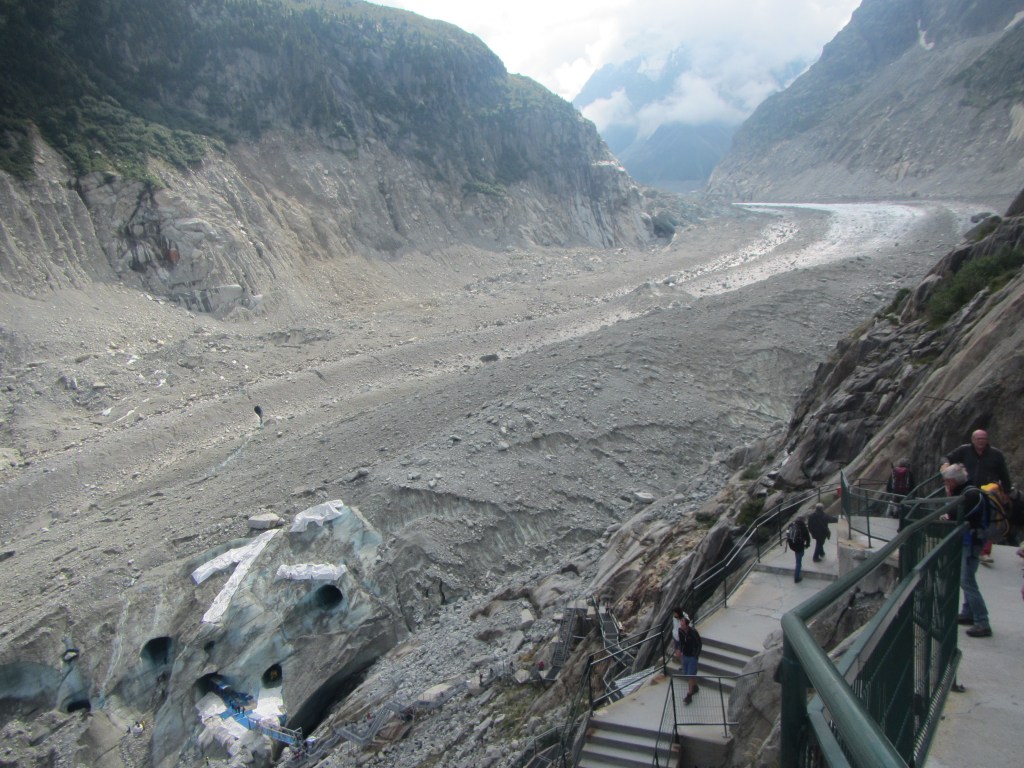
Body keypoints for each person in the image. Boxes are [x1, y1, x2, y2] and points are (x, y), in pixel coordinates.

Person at [941, 463, 992, 637]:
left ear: (954, 481)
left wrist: (949, 499)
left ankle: (982, 622)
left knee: (967, 581)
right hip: (972, 539)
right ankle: (968, 613)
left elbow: (955, 514)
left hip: (971, 541)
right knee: (968, 578)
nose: (946, 484)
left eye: (947, 481)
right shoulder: (968, 492)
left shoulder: (970, 494)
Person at [943, 429, 1012, 491]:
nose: (981, 441)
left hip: (990, 492)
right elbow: (946, 458)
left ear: (987, 440)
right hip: (968, 490)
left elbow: (1004, 475)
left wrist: (1007, 491)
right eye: (978, 439)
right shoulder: (964, 450)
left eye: (983, 439)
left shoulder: (996, 454)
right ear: (972, 440)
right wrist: (946, 464)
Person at [678, 612, 702, 704]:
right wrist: (680, 650)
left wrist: (696, 655)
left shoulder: (693, 632)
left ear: (687, 624)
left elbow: (699, 644)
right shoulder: (680, 631)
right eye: (681, 622)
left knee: (690, 675)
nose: (681, 624)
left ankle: (689, 695)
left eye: (683, 622)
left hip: (692, 657)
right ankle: (695, 687)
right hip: (685, 656)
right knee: (688, 674)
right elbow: (681, 642)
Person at [787, 516, 811, 583]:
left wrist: (789, 541)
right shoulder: (803, 528)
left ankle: (798, 572)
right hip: (799, 546)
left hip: (792, 545)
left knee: (798, 557)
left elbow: (787, 533)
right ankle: (796, 577)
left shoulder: (790, 525)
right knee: (798, 562)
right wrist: (807, 545)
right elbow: (808, 538)